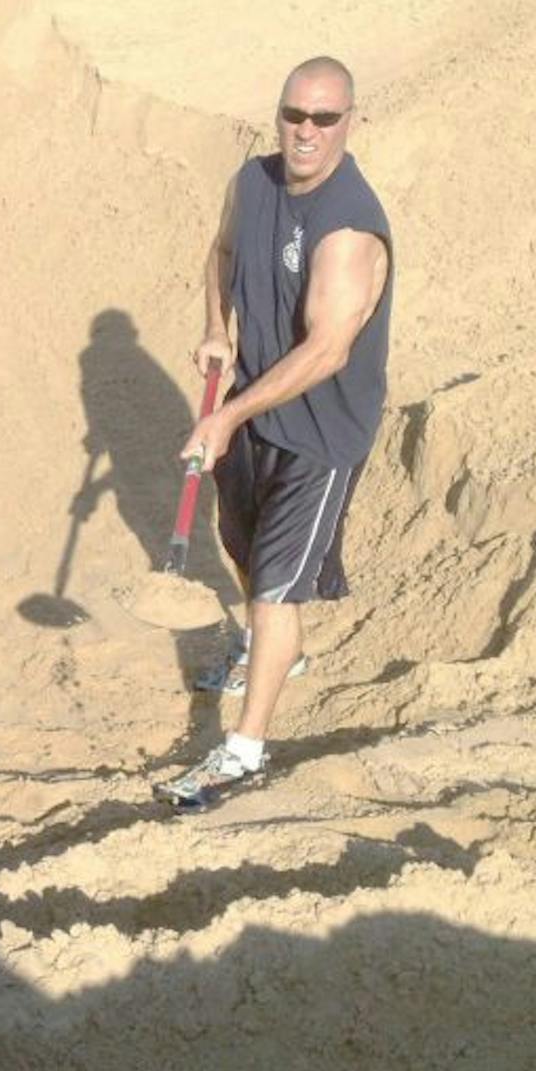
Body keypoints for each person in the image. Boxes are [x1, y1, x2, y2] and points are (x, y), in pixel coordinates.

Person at [156, 56, 394, 810]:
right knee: (242, 546)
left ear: (349, 121)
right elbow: (222, 252)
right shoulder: (252, 183)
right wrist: (216, 327)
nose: (307, 131)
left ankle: (244, 752)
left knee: (275, 588)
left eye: (325, 118)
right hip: (257, 403)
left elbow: (328, 351)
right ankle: (276, 652)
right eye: (295, 115)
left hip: (321, 431)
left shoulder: (348, 227)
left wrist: (226, 415)